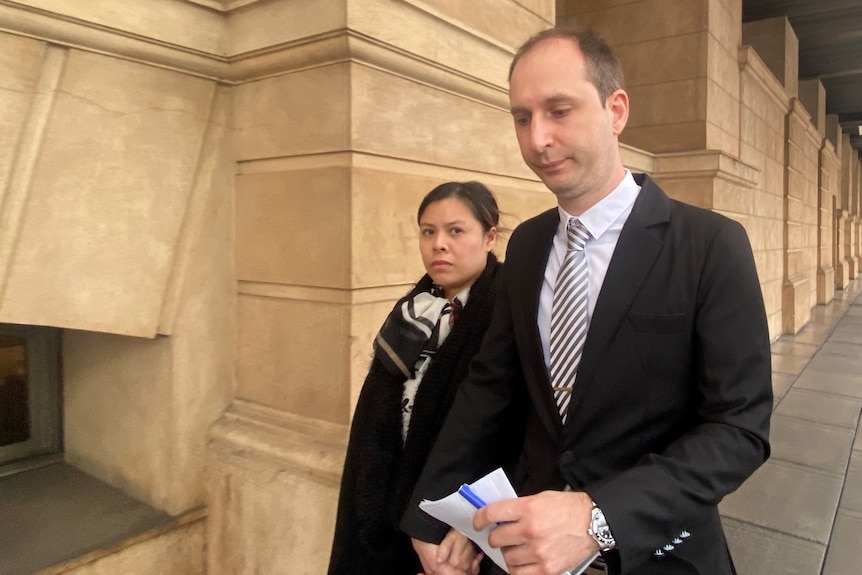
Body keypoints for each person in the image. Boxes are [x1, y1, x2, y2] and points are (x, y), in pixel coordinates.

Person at [401, 26, 772, 575]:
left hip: (660, 553)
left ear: (615, 109)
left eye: (558, 110)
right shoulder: (526, 245)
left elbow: (738, 429)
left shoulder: (710, 245)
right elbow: (490, 386)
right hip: (520, 550)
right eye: (522, 118)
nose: (538, 140)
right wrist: (434, 508)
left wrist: (598, 517)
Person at [328, 181, 517, 575]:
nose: (438, 244)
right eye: (428, 231)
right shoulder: (411, 312)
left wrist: (468, 523)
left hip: (463, 531)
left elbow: (513, 430)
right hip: (392, 512)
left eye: (455, 230)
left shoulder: (508, 313)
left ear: (490, 237)